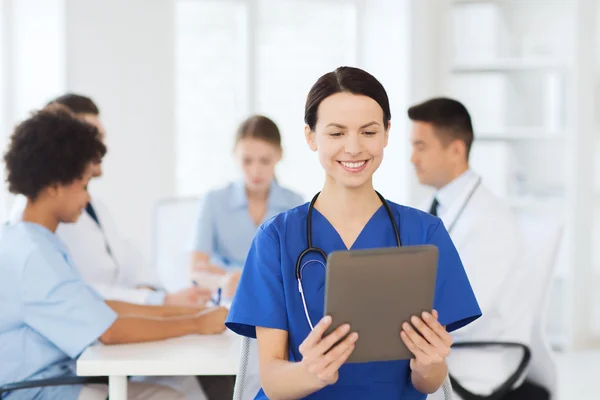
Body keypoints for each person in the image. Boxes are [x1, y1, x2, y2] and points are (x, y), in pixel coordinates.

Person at [224, 66, 482, 399]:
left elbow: (429, 382)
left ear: (387, 134)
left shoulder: (425, 233)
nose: (353, 147)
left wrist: (429, 364)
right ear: (310, 137)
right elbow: (272, 381)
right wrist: (310, 371)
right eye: (336, 133)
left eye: (369, 132)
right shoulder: (275, 238)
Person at [0, 106, 228, 400]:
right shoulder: (35, 256)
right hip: (36, 390)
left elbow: (101, 306)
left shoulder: (34, 241)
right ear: (55, 186)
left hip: (54, 379)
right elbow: (110, 330)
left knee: (171, 386)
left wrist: (189, 311)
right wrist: (196, 324)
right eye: (83, 185)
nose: (88, 196)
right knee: (167, 396)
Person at [9, 93, 210, 306]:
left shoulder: (94, 206)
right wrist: (158, 301)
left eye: (101, 137)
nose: (100, 148)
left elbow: (126, 260)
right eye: (91, 136)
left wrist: (152, 292)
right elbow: (77, 293)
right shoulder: (36, 222)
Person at [408, 97, 539, 399]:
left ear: (455, 150)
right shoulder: (431, 206)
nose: (412, 158)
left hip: (476, 358)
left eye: (421, 146)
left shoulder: (490, 220)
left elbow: (465, 311)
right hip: (440, 347)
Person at [190, 114, 303, 297]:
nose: (255, 171)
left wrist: (235, 277)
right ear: (235, 154)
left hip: (276, 300)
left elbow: (300, 269)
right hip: (227, 302)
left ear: (279, 155)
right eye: (247, 161)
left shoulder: (296, 204)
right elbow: (196, 271)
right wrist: (223, 281)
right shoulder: (213, 201)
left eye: (265, 161)